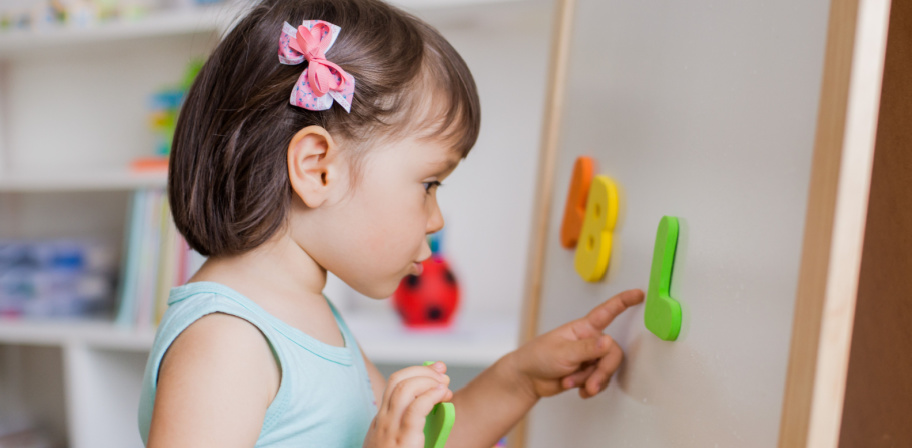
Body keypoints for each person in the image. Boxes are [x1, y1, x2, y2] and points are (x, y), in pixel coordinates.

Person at [138, 0, 645, 446]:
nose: (436, 218)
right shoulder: (228, 340)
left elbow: (424, 442)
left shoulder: (307, 315)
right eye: (429, 185)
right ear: (318, 169)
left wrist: (520, 379)